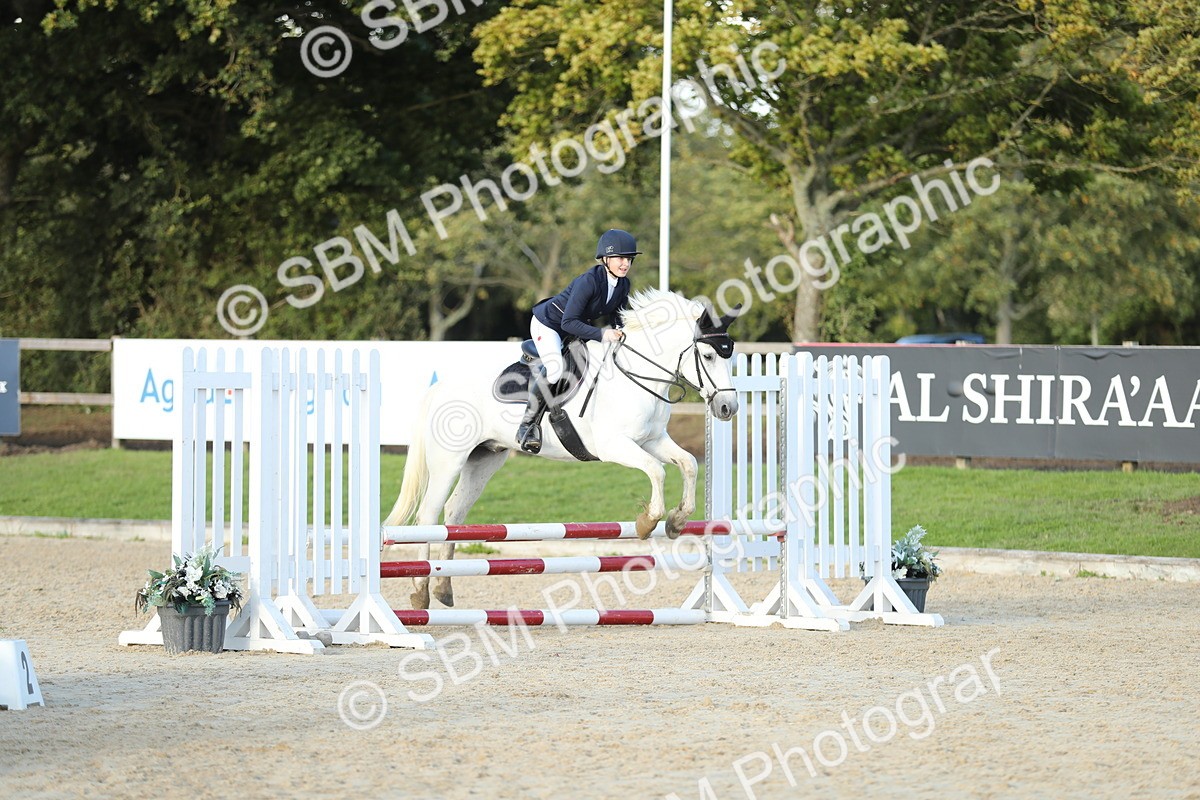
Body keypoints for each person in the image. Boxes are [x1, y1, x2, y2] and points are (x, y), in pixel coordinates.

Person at [516, 228, 639, 453]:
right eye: (620, 258)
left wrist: (623, 332)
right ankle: (527, 426)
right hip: (550, 325)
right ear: (606, 259)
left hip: (576, 328)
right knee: (555, 369)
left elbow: (618, 317)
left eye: (629, 259)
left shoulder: (623, 285)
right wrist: (603, 334)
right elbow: (568, 322)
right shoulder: (589, 281)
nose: (625, 264)